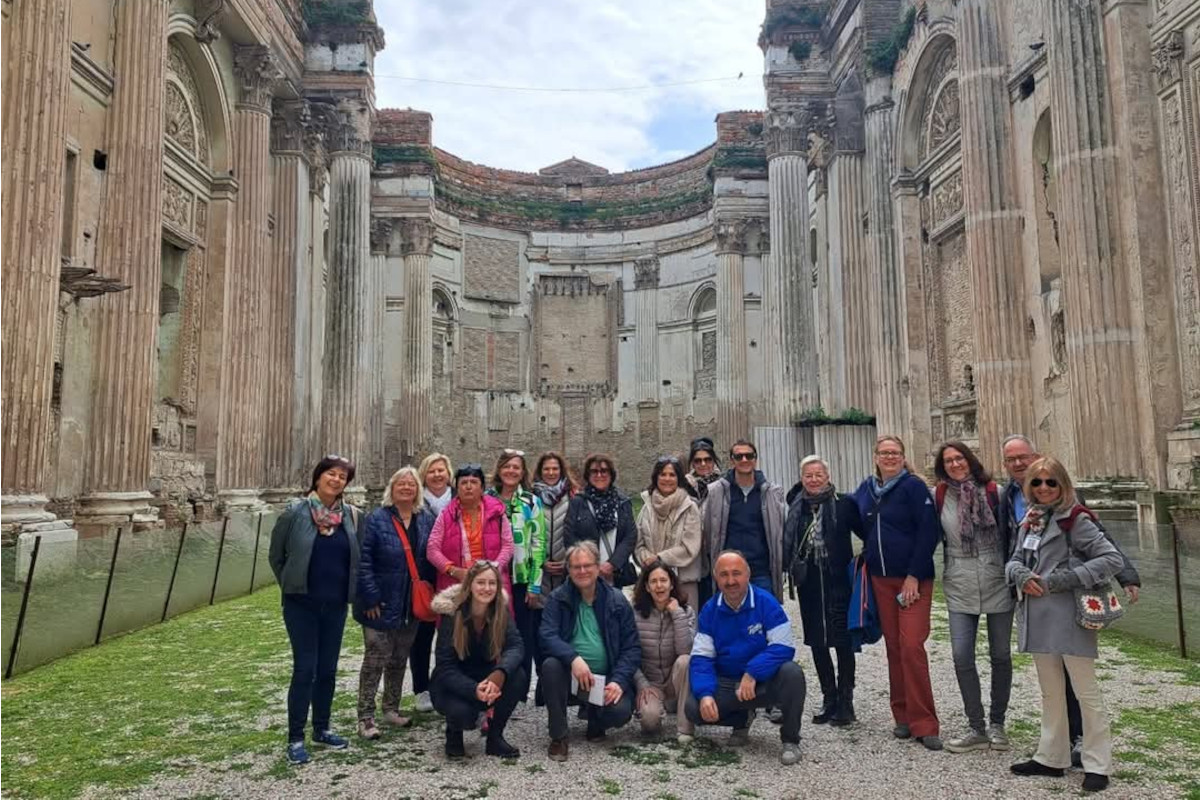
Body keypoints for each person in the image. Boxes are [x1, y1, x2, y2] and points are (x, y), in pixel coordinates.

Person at [997, 435, 1141, 766]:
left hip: (1070, 614)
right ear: (1030, 487)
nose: (1044, 487)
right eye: (1038, 483)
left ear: (1062, 484)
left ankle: (1097, 763)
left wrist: (1064, 579)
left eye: (1050, 482)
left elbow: (1110, 557)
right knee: (1050, 693)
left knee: (1086, 693)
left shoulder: (1076, 518)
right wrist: (1020, 575)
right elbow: (1015, 557)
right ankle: (1051, 757)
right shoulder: (1032, 518)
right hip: (1037, 615)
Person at [268, 455, 363, 765]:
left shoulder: (349, 516)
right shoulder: (295, 512)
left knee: (327, 671)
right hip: (301, 605)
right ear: (318, 477)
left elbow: (355, 558)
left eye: (342, 477)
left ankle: (321, 728)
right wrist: (291, 584)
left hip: (334, 605)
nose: (336, 480)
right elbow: (276, 556)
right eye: (330, 474)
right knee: (304, 670)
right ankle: (296, 737)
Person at [853, 435, 943, 750]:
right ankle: (902, 716)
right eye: (884, 452)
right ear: (875, 456)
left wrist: (914, 575)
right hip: (881, 579)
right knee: (893, 647)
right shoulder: (866, 489)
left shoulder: (913, 487)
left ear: (903, 457)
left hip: (912, 580)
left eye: (895, 452)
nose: (890, 457)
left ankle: (926, 723)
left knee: (912, 646)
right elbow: (854, 518)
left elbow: (928, 532)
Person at [686, 551, 807, 765]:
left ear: (748, 575)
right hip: (729, 682)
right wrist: (705, 694)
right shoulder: (709, 610)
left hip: (762, 682)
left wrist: (753, 671)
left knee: (793, 674)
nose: (731, 581)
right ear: (716, 578)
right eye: (724, 575)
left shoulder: (766, 602)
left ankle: (790, 740)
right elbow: (701, 658)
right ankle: (741, 720)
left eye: (736, 573)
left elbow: (784, 646)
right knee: (694, 708)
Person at [930, 442, 1012, 754]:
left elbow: (1012, 532)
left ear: (970, 460)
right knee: (962, 655)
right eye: (948, 460)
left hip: (995, 575)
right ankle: (976, 725)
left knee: (1001, 654)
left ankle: (998, 723)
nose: (954, 464)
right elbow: (928, 535)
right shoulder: (938, 495)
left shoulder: (995, 491)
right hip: (959, 578)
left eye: (959, 458)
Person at [539, 542, 641, 762]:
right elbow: (547, 635)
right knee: (550, 667)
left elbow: (631, 647)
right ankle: (559, 736)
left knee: (621, 712)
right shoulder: (558, 598)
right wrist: (573, 658)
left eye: (587, 565)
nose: (582, 571)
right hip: (570, 676)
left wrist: (619, 680)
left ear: (597, 567)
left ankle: (596, 718)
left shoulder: (617, 600)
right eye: (576, 567)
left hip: (605, 678)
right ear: (569, 569)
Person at [354, 466, 435, 739]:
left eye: (411, 484)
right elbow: (363, 561)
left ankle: (391, 708)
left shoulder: (425, 519)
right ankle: (365, 716)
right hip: (380, 601)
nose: (406, 488)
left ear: (418, 490)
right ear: (392, 487)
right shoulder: (376, 518)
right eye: (401, 483)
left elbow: (430, 556)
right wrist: (370, 595)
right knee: (375, 658)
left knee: (399, 658)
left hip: (408, 603)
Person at [783, 455, 864, 727]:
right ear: (802, 478)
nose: (814, 479)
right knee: (817, 641)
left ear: (827, 477)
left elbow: (866, 532)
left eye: (819, 474)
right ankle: (828, 698)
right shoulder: (797, 507)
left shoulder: (844, 504)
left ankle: (845, 701)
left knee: (842, 641)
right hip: (809, 583)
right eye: (809, 475)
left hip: (837, 580)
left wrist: (861, 564)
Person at [430, 561, 525, 760]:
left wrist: (499, 674)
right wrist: (474, 689)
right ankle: (454, 734)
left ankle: (495, 737)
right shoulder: (452, 613)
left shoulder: (501, 611)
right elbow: (445, 666)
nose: (486, 588)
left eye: (492, 583)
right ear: (470, 585)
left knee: (518, 675)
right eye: (481, 582)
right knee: (463, 715)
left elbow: (516, 646)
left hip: (486, 676)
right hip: (453, 683)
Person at [487, 449, 547, 708]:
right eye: (507, 466)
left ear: (523, 473)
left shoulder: (531, 502)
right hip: (492, 578)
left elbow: (538, 543)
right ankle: (491, 685)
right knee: (491, 633)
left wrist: (535, 584)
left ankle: (518, 690)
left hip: (521, 577)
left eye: (517, 468)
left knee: (521, 636)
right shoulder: (486, 499)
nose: (511, 471)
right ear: (499, 469)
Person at [702, 440, 787, 599]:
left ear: (755, 459)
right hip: (728, 572)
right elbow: (708, 531)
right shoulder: (716, 492)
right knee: (729, 619)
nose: (744, 460)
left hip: (761, 571)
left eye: (749, 456)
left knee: (764, 619)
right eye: (739, 456)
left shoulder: (771, 493)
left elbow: (780, 531)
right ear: (732, 460)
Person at [426, 464, 514, 598]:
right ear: (457, 487)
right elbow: (432, 550)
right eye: (463, 482)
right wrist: (454, 571)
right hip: (456, 584)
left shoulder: (497, 513)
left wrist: (493, 570)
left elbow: (508, 546)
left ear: (482, 488)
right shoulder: (446, 514)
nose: (468, 486)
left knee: (494, 618)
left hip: (491, 583)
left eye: (474, 482)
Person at [631, 561, 696, 741]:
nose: (659, 586)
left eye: (663, 580)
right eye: (653, 581)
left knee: (685, 661)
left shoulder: (686, 611)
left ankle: (685, 729)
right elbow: (628, 655)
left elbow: (686, 650)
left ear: (672, 583)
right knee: (649, 722)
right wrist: (642, 684)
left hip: (676, 681)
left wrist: (676, 614)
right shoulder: (635, 614)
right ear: (646, 586)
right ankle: (657, 710)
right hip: (651, 682)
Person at [412, 452, 455, 713]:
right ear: (423, 475)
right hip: (425, 574)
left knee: (452, 635)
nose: (437, 475)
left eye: (441, 470)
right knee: (422, 634)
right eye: (432, 471)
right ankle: (421, 689)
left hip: (454, 574)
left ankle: (451, 685)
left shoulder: (460, 499)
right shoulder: (415, 501)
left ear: (449, 474)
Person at [635, 456, 704, 609]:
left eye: (672, 475)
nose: (667, 479)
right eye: (663, 474)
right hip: (653, 584)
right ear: (656, 477)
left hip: (683, 583)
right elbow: (638, 545)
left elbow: (690, 548)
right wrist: (648, 560)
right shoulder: (646, 506)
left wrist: (659, 558)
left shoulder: (689, 507)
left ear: (679, 479)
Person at [564, 453, 637, 588]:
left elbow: (630, 536)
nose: (599, 475)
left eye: (604, 471)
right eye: (594, 471)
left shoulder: (623, 502)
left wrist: (612, 564)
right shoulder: (578, 502)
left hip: (616, 574)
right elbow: (570, 536)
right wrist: (590, 565)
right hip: (585, 573)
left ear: (611, 474)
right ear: (587, 475)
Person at [685, 437, 722, 608]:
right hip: (693, 559)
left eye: (707, 459)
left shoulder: (724, 485)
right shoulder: (683, 487)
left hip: (717, 553)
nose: (703, 464)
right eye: (698, 460)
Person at [533, 451, 576, 596]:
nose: (551, 473)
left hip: (567, 573)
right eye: (546, 469)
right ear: (540, 471)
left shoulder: (573, 497)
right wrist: (540, 562)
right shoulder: (530, 497)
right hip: (538, 575)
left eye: (555, 469)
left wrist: (569, 561)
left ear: (561, 471)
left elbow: (580, 534)